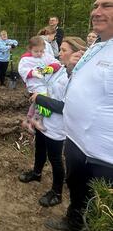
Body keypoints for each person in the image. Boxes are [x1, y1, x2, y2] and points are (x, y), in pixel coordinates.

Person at [45, 0, 113, 231]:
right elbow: (80, 83)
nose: (96, 11)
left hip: (104, 156)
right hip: (75, 141)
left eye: (107, 6)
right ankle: (73, 220)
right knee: (75, 186)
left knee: (101, 216)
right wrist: (73, 69)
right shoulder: (97, 46)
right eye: (95, 5)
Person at [19, 37, 87, 208]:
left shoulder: (77, 76)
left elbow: (64, 106)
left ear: (76, 54)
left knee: (55, 158)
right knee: (40, 148)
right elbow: (43, 80)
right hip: (45, 119)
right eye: (60, 49)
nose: (59, 53)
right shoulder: (61, 69)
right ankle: (36, 173)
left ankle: (57, 192)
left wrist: (39, 98)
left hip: (57, 125)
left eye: (64, 50)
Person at [18, 36, 61, 133]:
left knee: (36, 101)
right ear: (30, 49)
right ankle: (38, 118)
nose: (39, 54)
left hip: (46, 83)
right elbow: (22, 70)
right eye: (36, 51)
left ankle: (29, 119)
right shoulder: (26, 59)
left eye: (41, 51)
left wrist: (50, 68)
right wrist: (32, 73)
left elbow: (56, 63)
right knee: (43, 99)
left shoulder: (46, 56)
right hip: (35, 84)